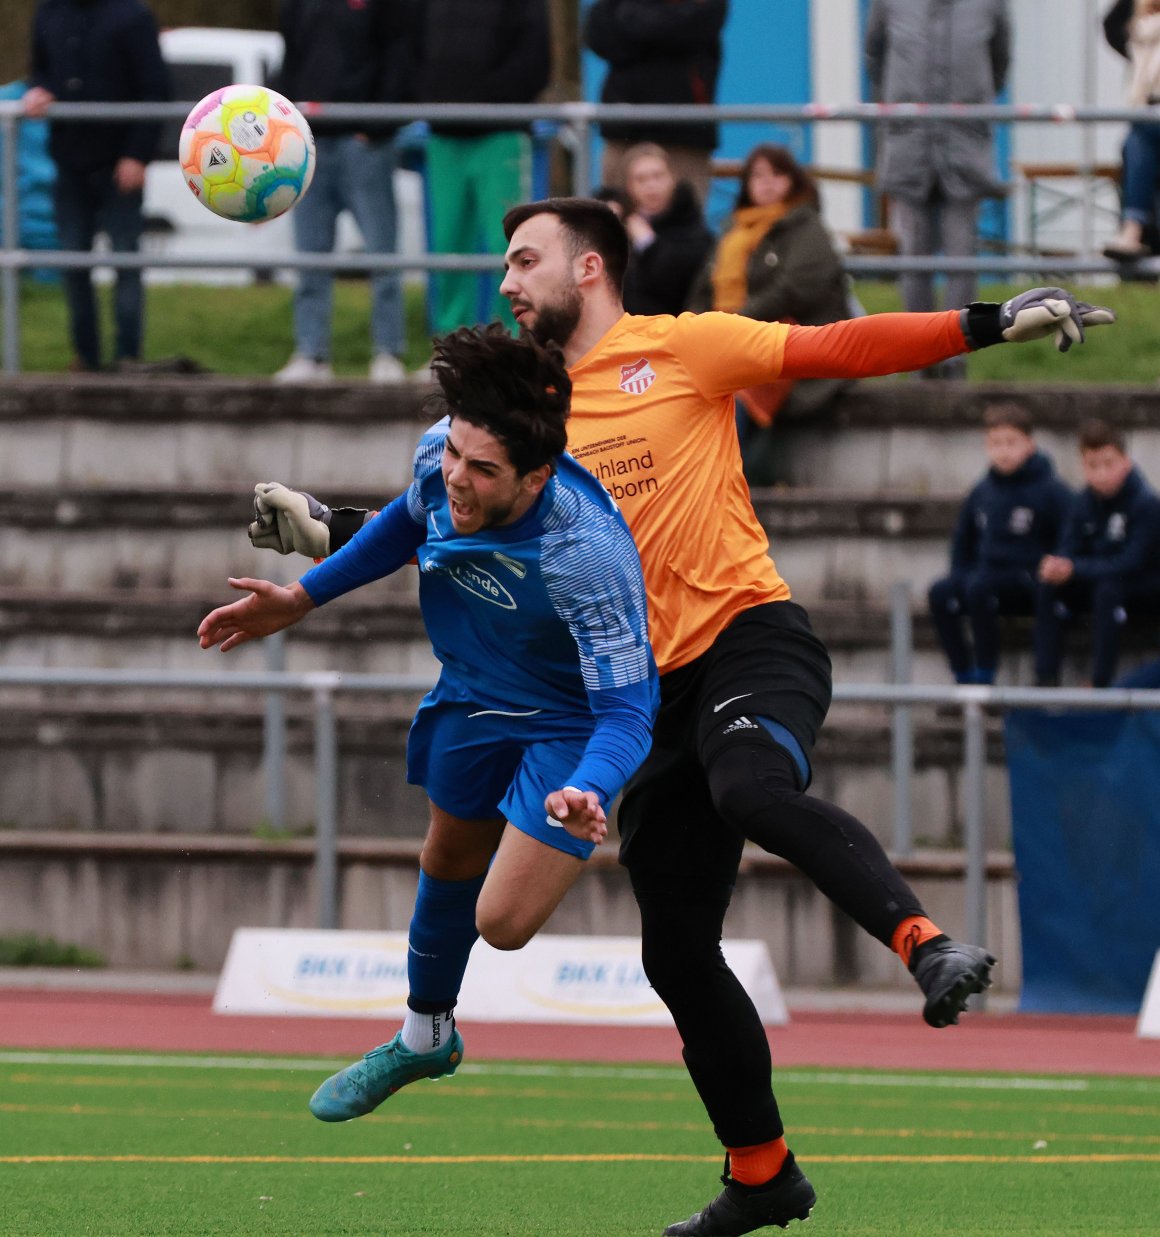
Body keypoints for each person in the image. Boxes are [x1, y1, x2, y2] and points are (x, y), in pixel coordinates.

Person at [256, 197, 1113, 1234]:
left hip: (748, 639)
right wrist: (336, 532)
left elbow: (834, 344)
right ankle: (761, 1173)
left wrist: (980, 323)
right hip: (630, 694)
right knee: (672, 951)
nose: (505, 280)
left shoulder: (683, 348)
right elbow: (481, 515)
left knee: (747, 783)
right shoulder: (522, 407)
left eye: (523, 259)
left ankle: (922, 941)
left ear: (589, 269)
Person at [201, 324, 658, 1121]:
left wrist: (592, 783)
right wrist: (301, 598)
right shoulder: (438, 456)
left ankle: (558, 825)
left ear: (537, 475)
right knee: (446, 852)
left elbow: (629, 705)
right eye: (455, 454)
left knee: (502, 922)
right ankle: (423, 1034)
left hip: (567, 724)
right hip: (473, 690)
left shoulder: (586, 552)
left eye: (483, 470)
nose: (458, 478)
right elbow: (407, 523)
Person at [23, 0, 170, 374]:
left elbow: (156, 89)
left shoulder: (132, 16)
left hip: (119, 165)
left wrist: (137, 155)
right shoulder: (48, 12)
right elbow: (41, 72)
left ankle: (127, 359)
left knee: (125, 263)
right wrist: (38, 92)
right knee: (73, 263)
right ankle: (86, 359)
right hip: (70, 163)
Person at [687, 143, 852, 478]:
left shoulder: (807, 228)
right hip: (725, 338)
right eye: (758, 175)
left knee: (737, 392)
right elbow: (702, 291)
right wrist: (694, 328)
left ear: (792, 180)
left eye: (776, 174)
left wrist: (735, 323)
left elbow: (794, 290)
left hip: (784, 340)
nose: (766, 183)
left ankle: (724, 482)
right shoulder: (733, 232)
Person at [865, 0, 1011, 376]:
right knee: (914, 254)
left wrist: (974, 103)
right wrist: (899, 103)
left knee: (961, 253)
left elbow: (1000, 60)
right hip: (909, 143)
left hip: (964, 143)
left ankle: (957, 352)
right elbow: (874, 56)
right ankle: (919, 354)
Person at [274, 0, 416, 385]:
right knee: (310, 258)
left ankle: (388, 352)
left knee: (381, 254)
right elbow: (290, 61)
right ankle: (311, 354)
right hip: (307, 145)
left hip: (364, 145)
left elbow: (400, 55)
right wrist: (283, 128)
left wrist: (377, 126)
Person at [414, 0, 550, 335]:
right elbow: (410, 45)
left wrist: (484, 100)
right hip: (444, 134)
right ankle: (450, 347)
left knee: (510, 246)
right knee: (447, 248)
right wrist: (433, 97)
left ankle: (509, 344)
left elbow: (536, 59)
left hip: (501, 132)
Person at [928, 402, 1072, 685]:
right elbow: (963, 541)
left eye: (1011, 442)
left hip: (1026, 579)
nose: (1003, 451)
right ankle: (963, 675)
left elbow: (1070, 536)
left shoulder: (1051, 490)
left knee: (978, 587)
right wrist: (959, 573)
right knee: (940, 592)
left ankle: (985, 676)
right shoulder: (982, 490)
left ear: (1029, 444)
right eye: (995, 443)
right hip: (984, 574)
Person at [1034, 419, 1160, 688]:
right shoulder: (1082, 503)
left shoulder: (1146, 504)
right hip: (1100, 579)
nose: (1101, 473)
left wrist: (1075, 569)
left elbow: (1131, 563)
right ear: (1083, 466)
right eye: (1093, 465)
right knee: (1049, 586)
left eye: (1108, 463)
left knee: (1108, 589)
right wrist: (1059, 565)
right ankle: (1045, 682)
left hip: (1142, 586)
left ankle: (1100, 684)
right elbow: (1068, 546)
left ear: (1125, 462)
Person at [583, 0, 728, 205]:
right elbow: (598, 36)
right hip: (622, 131)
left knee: (684, 226)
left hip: (685, 135)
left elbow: (681, 27)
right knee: (615, 225)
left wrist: (628, 21)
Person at [616, 143, 714, 316]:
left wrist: (649, 245)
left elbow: (681, 284)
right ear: (628, 186)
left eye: (658, 176)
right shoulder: (619, 225)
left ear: (673, 178)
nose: (651, 185)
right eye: (641, 179)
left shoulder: (691, 225)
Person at [1102, 0, 1160, 260]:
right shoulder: (1141, 34)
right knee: (1135, 143)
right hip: (1149, 117)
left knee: (1138, 139)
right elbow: (1111, 24)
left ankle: (1132, 230)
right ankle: (1134, 231)